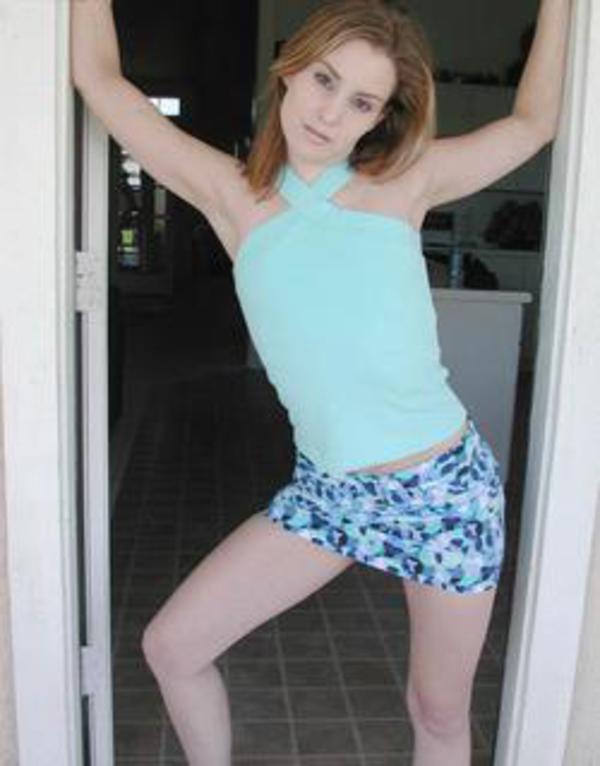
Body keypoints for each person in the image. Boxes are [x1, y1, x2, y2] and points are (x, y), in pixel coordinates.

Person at [70, 0, 572, 763]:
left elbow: (535, 122)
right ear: (290, 71)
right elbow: (101, 82)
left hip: (444, 492)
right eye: (324, 80)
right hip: (329, 494)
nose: (331, 113)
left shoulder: (407, 180)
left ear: (381, 118)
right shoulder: (233, 195)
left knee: (437, 712)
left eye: (362, 102)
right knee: (171, 647)